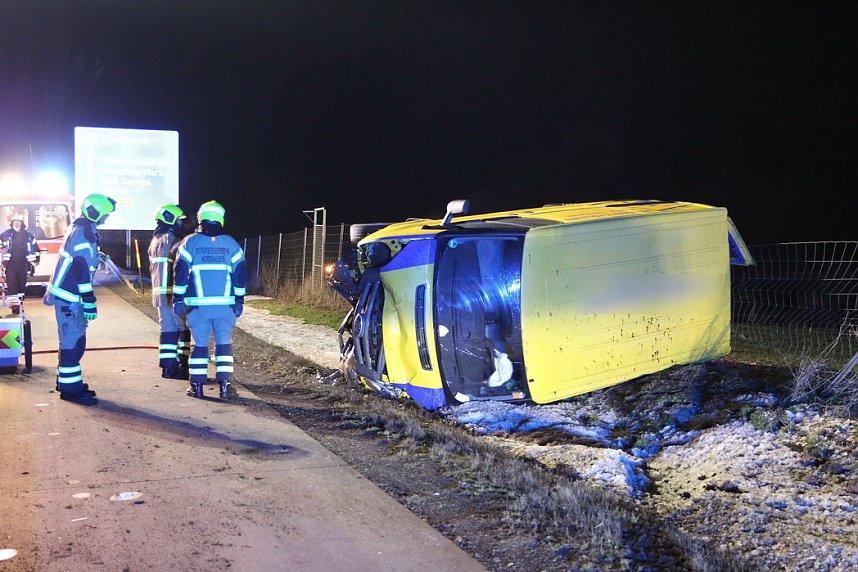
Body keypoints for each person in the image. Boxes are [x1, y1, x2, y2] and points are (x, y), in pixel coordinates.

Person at [43, 193, 117, 405]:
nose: (106, 219)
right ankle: (71, 391)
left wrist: (97, 256)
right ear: (95, 213)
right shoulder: (84, 234)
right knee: (73, 344)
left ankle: (67, 383)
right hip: (70, 299)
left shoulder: (81, 229)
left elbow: (81, 259)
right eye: (105, 215)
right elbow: (81, 270)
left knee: (70, 343)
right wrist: (89, 301)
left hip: (67, 297)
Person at [172, 200, 246, 399]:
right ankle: (225, 386)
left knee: (199, 346)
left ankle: (196, 386)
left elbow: (180, 273)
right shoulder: (231, 244)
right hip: (225, 307)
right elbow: (239, 275)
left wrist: (178, 299)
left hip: (198, 308)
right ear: (221, 219)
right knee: (224, 345)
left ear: (200, 218)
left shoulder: (190, 242)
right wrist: (240, 301)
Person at [148, 204, 190, 379]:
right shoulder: (174, 241)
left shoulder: (155, 241)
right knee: (184, 329)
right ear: (171, 220)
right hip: (173, 294)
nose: (181, 223)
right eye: (179, 220)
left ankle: (167, 368)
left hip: (159, 295)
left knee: (167, 331)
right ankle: (182, 366)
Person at [0, 213, 40, 314]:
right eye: (15, 222)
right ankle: (14, 307)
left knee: (22, 285)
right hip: (10, 264)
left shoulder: (29, 236)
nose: (17, 224)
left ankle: (20, 303)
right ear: (12, 223)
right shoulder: (4, 235)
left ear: (22, 224)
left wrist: (36, 261)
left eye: (19, 222)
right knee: (12, 285)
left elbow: (36, 249)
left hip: (23, 264)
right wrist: (1, 249)